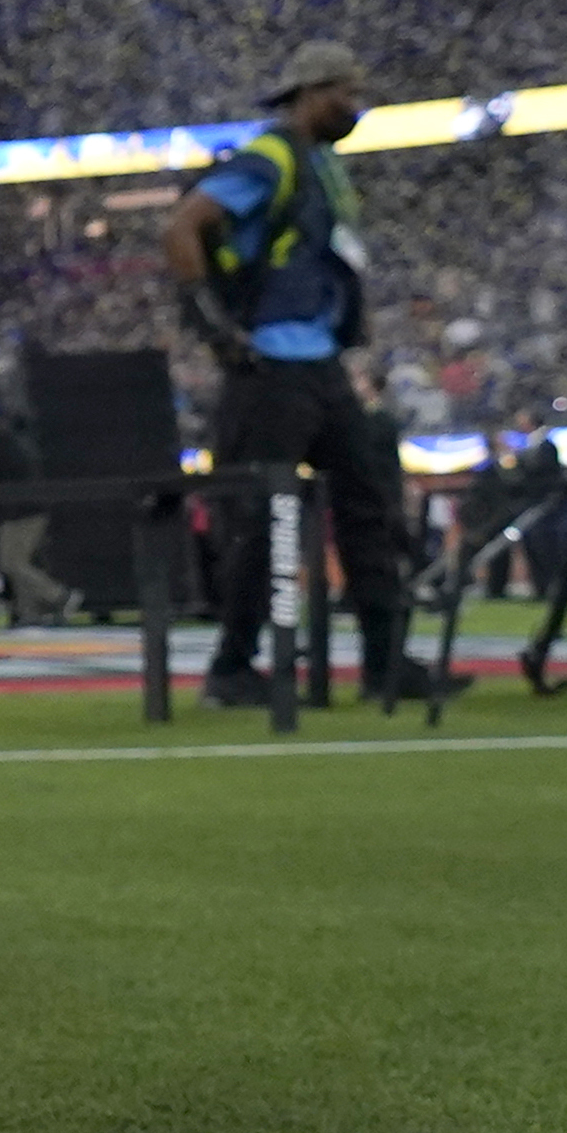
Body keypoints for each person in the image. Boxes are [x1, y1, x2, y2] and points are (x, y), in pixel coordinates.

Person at [168, 43, 462, 708]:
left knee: (371, 504)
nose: (355, 107)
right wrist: (212, 329)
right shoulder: (271, 156)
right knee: (258, 518)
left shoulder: (323, 165)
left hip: (319, 366)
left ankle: (386, 663)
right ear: (308, 91)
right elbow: (183, 227)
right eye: (345, 94)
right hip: (268, 366)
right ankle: (233, 669)